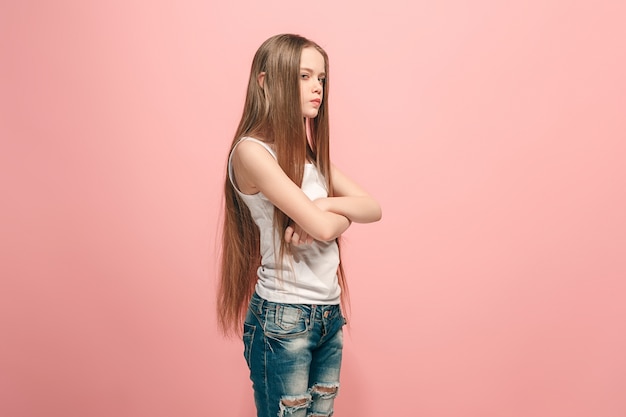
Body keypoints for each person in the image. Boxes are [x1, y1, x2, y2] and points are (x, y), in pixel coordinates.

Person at [217, 33, 382, 417]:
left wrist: (322, 203)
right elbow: (326, 229)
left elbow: (372, 207)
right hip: (284, 317)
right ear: (265, 81)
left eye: (321, 79)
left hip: (327, 314)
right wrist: (336, 216)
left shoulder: (308, 154)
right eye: (304, 76)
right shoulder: (251, 152)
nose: (317, 88)